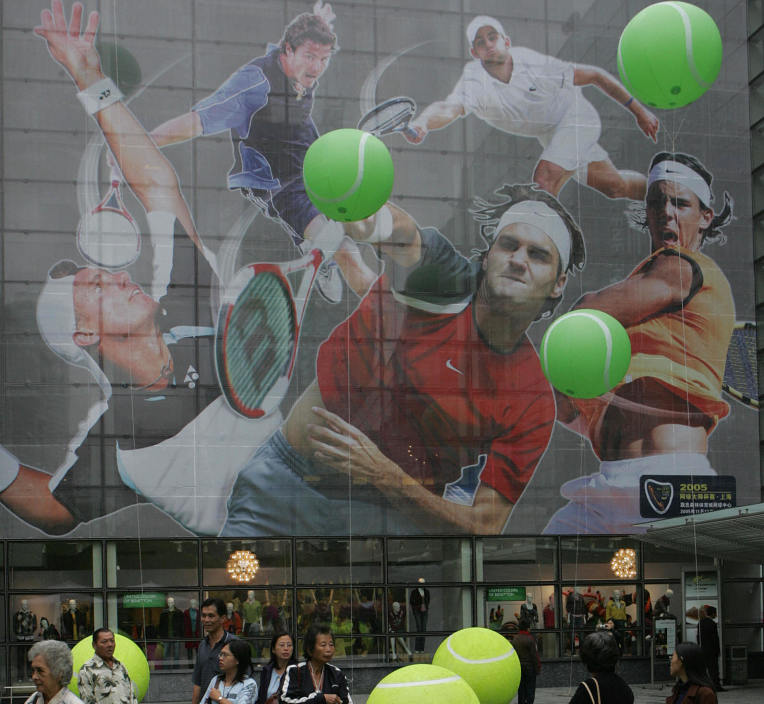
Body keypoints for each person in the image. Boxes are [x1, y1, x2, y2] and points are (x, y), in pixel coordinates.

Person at [0, 1, 281, 538]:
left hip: (318, 482)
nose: (120, 274)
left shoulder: (186, 302)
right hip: (256, 543)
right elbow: (50, 508)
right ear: (85, 332)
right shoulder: (120, 442)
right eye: (96, 285)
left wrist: (91, 79)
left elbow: (157, 182)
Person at [225, 183, 585, 536]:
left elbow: (486, 525)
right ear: (488, 256)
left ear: (559, 282)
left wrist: (385, 476)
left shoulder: (534, 400)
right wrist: (370, 222)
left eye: (538, 254)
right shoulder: (443, 279)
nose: (519, 260)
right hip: (284, 485)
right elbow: (406, 237)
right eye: (509, 245)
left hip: (389, 521)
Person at [545, 151, 736, 534]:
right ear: (647, 212)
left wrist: (571, 339)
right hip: (607, 481)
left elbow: (590, 309)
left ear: (705, 217)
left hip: (670, 479)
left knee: (684, 588)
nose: (667, 212)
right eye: (656, 201)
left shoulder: (683, 266)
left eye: (681, 203)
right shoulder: (648, 308)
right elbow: (568, 407)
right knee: (546, 573)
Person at [150, 3, 375, 300]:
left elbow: (309, 46)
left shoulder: (301, 66)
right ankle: (380, 309)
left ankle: (315, 247)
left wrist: (319, 22)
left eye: (324, 58)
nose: (317, 67)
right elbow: (197, 121)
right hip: (279, 183)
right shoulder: (254, 84)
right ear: (288, 50)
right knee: (346, 251)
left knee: (370, 224)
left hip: (312, 160)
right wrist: (138, 141)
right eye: (309, 56)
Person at [405, 16, 658, 200]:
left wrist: (640, 112)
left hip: (576, 118)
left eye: (492, 36)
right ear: (474, 52)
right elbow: (448, 108)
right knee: (615, 187)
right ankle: (663, 191)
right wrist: (422, 123)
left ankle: (546, 258)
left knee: (544, 178)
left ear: (506, 40)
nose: (488, 43)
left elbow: (595, 75)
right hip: (549, 133)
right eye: (481, 41)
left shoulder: (535, 65)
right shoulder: (474, 81)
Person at [511, 618, 540, 704]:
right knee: (530, 687)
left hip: (519, 667)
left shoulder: (515, 639)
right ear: (528, 628)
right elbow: (534, 656)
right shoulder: (530, 639)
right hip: (529, 667)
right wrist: (537, 667)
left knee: (521, 687)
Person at [698, 605, 723, 690]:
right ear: (712, 614)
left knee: (704, 669)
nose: (716, 615)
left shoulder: (700, 623)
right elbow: (715, 639)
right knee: (714, 669)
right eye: (715, 613)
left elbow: (699, 637)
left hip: (703, 649)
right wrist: (717, 650)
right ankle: (716, 685)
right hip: (712, 650)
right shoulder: (712, 623)